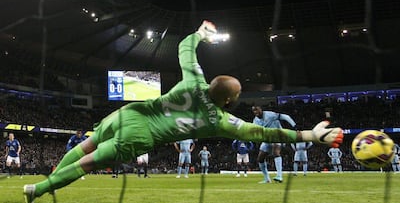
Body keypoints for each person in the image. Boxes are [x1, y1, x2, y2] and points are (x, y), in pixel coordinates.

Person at [23, 20, 343, 203]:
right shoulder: (221, 121)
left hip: (130, 114)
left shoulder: (195, 80)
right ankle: (38, 190)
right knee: (87, 162)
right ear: (230, 102)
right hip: (141, 135)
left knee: (83, 147)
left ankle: (50, 179)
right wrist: (310, 135)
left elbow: (184, 50)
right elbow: (264, 133)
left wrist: (199, 34)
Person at [252, 106, 296, 183]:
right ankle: (267, 179)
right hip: (267, 139)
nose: (255, 112)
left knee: (276, 152)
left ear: (261, 109)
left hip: (278, 135)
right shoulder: (255, 120)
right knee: (260, 158)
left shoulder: (270, 115)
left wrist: (294, 125)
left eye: (257, 110)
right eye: (254, 111)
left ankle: (279, 176)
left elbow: (285, 116)